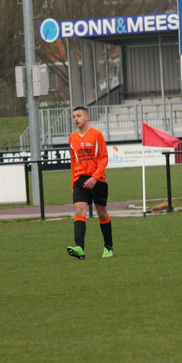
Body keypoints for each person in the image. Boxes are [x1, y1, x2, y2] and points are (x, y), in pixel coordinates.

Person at [67, 106, 114, 259]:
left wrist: (95, 177)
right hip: (80, 180)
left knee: (101, 213)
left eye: (79, 116)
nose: (76, 119)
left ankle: (108, 246)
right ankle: (79, 248)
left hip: (97, 180)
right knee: (79, 209)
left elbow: (104, 158)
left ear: (87, 117)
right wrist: (73, 183)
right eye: (74, 117)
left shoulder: (96, 134)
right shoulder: (72, 138)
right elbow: (73, 162)